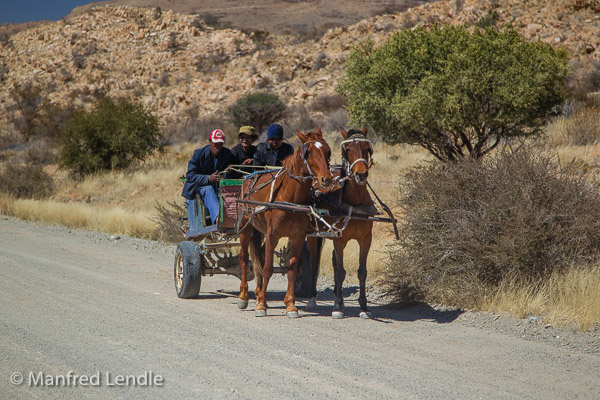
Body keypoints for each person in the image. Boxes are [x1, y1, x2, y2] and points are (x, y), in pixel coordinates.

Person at [181, 129, 233, 225]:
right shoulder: (199, 154)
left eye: (220, 144)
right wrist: (208, 178)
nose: (217, 146)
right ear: (210, 142)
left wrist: (229, 171)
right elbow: (190, 175)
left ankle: (233, 217)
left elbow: (231, 168)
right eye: (215, 143)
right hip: (200, 186)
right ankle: (219, 219)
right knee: (208, 189)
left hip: (218, 187)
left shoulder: (226, 154)